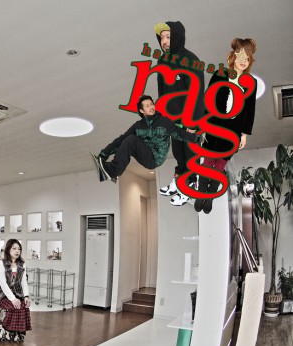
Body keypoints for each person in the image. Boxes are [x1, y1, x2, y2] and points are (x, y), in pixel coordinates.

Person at [195, 38, 257, 214]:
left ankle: (209, 198)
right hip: (215, 124)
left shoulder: (251, 82)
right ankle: (201, 194)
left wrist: (244, 134)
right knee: (208, 161)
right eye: (241, 56)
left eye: (247, 58)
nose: (244, 61)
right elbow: (208, 99)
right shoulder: (220, 74)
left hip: (233, 129)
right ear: (233, 56)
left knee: (220, 165)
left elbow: (250, 108)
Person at [92, 95, 203, 182]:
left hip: (156, 158)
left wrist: (197, 138)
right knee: (126, 140)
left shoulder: (164, 121)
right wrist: (104, 154)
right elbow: (121, 140)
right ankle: (112, 171)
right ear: (142, 111)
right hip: (144, 154)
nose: (151, 107)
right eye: (147, 106)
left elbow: (179, 134)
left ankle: (112, 172)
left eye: (151, 104)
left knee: (131, 139)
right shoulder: (138, 126)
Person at [153, 21, 205, 207]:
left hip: (190, 120)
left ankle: (188, 187)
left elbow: (197, 93)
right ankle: (179, 181)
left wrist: (193, 123)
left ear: (177, 37)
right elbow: (162, 92)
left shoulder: (191, 60)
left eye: (168, 37)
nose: (164, 41)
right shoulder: (162, 61)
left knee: (190, 155)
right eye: (161, 38)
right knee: (178, 154)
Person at [0, 239, 31, 342]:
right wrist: (13, 299)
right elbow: (3, 284)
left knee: (24, 305)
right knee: (15, 306)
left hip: (15, 292)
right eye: (14, 248)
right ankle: (8, 330)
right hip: (1, 293)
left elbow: (23, 281)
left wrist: (26, 296)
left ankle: (18, 332)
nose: (17, 251)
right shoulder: (2, 263)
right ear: (8, 249)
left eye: (19, 249)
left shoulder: (22, 264)